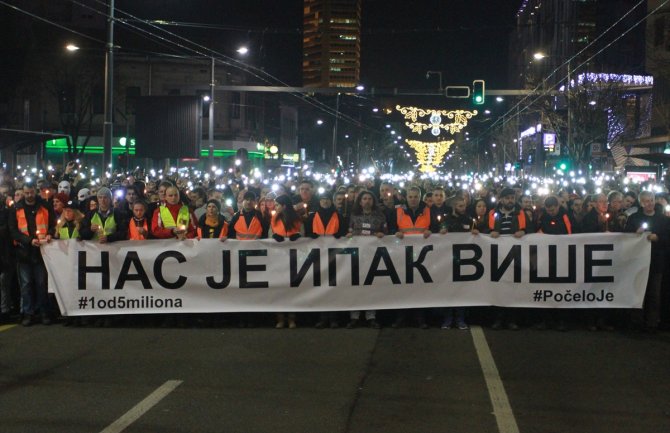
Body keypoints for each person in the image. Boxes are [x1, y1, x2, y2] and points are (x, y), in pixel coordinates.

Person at [8, 182, 57, 326]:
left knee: (42, 284)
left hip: (41, 252)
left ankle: (43, 313)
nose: (29, 195)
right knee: (26, 285)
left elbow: (53, 224)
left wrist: (49, 234)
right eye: (26, 193)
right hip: (24, 252)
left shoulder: (45, 206)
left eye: (31, 193)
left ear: (35, 191)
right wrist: (29, 241)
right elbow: (14, 231)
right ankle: (28, 314)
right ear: (23, 193)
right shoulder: (16, 208)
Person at [388, 186, 434, 329]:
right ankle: (401, 317)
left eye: (416, 197)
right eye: (410, 197)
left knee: (420, 287)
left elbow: (438, 226)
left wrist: (431, 231)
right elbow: (390, 228)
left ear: (420, 198)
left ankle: (420, 319)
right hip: (403, 253)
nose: (413, 199)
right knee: (403, 286)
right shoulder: (399, 211)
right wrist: (395, 232)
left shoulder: (427, 211)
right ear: (406, 198)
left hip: (422, 254)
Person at [624, 191, 668, 333]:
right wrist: (635, 233)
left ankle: (652, 323)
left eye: (651, 200)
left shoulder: (663, 220)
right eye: (646, 201)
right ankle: (636, 321)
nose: (650, 203)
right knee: (638, 292)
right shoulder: (634, 218)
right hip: (638, 263)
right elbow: (625, 237)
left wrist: (658, 238)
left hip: (656, 262)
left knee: (654, 294)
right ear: (641, 203)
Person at [486, 187, 527, 330]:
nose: (510, 201)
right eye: (508, 198)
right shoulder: (492, 213)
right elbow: (485, 228)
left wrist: (523, 231)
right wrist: (490, 232)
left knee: (512, 286)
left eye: (512, 198)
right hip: (497, 255)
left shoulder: (520, 213)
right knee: (498, 286)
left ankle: (511, 318)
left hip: (515, 255)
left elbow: (530, 228)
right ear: (501, 199)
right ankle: (498, 317)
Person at [346, 190, 387, 329]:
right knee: (355, 285)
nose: (367, 201)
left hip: (373, 255)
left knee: (371, 286)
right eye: (364, 198)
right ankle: (354, 316)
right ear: (360, 201)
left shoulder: (380, 216)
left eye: (370, 198)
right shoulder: (354, 216)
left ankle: (371, 316)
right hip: (356, 256)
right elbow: (349, 231)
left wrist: (382, 234)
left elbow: (386, 232)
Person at [306, 192, 347, 329]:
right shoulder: (312, 217)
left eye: (327, 200)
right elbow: (306, 233)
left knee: (333, 287)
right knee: (320, 287)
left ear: (332, 201)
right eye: (323, 199)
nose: (325, 202)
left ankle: (334, 318)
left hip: (334, 256)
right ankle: (323, 317)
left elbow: (344, 232)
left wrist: (340, 234)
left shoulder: (339, 216)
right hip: (317, 257)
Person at [270, 194, 303, 329]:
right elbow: (269, 235)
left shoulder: (297, 219)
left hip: (294, 258)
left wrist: (298, 237)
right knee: (280, 289)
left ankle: (291, 318)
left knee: (292, 289)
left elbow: (303, 234)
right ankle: (280, 318)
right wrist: (275, 237)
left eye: (277, 205)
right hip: (278, 258)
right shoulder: (274, 219)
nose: (275, 207)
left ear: (284, 206)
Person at [441, 196, 473, 330]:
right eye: (460, 206)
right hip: (448, 259)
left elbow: (473, 233)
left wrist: (474, 233)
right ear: (454, 207)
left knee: (461, 291)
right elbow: (440, 230)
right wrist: (441, 231)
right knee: (448, 290)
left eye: (464, 205)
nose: (463, 208)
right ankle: (448, 319)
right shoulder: (446, 219)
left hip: (464, 260)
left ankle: (460, 319)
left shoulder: (468, 219)